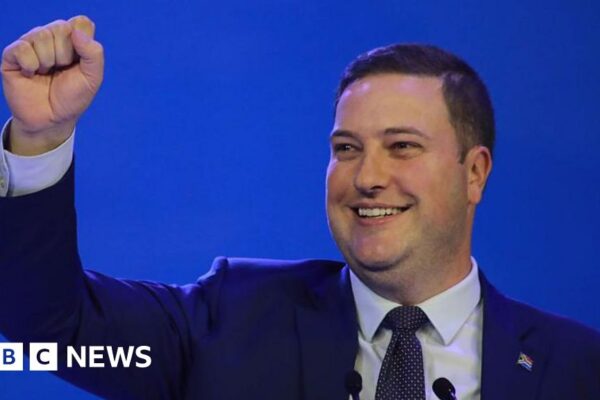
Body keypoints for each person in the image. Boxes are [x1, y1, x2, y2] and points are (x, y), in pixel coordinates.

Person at [0, 15, 599, 400]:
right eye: (346, 149)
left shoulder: (577, 368)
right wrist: (41, 138)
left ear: (474, 173)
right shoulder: (229, 320)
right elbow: (49, 331)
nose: (368, 178)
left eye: (402, 147)